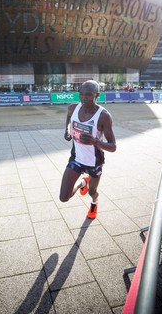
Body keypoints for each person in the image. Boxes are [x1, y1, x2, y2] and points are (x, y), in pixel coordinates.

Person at [60, 80, 117, 219]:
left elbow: (113, 146)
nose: (84, 98)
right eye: (81, 94)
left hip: (94, 162)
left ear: (96, 94)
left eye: (88, 95)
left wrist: (95, 142)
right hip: (76, 158)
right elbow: (69, 117)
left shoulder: (103, 116)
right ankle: (82, 183)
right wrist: (67, 130)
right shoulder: (73, 108)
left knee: (92, 191)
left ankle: (94, 202)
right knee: (63, 197)